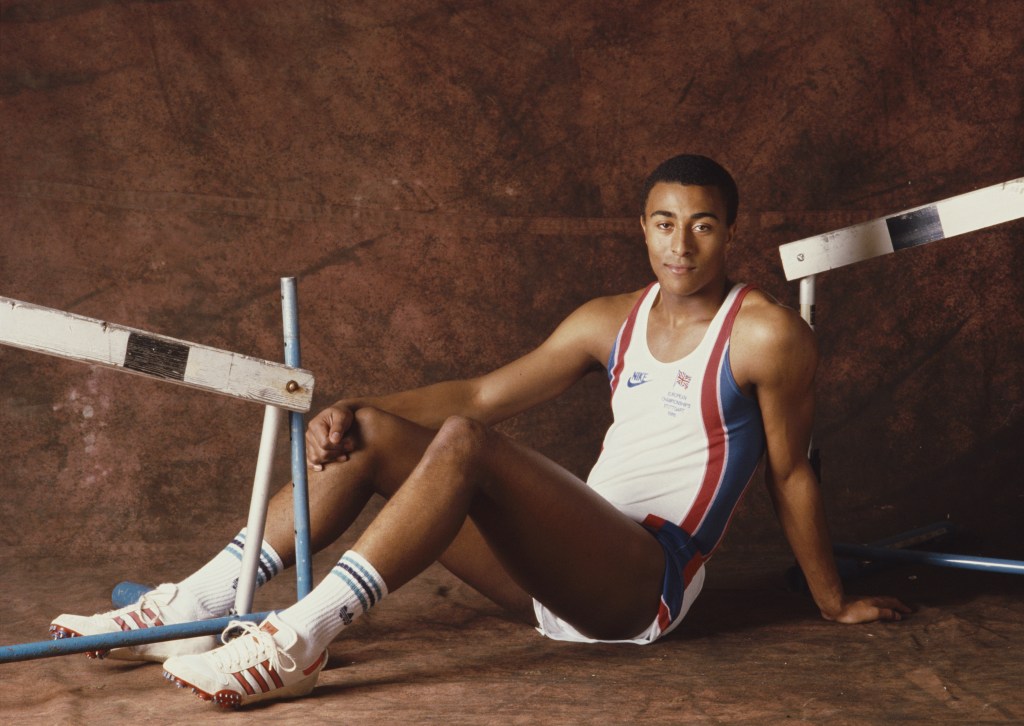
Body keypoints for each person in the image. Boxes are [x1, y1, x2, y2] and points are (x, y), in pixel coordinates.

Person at [50, 154, 910, 708]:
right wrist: (355, 408)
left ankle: (301, 638)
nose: (680, 244)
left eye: (703, 225)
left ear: (730, 232)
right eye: (662, 222)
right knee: (383, 430)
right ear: (641, 226)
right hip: (552, 578)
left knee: (465, 443)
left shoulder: (768, 335)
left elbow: (793, 473)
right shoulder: (608, 318)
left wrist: (832, 603)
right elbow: (487, 389)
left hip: (642, 584)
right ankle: (194, 607)